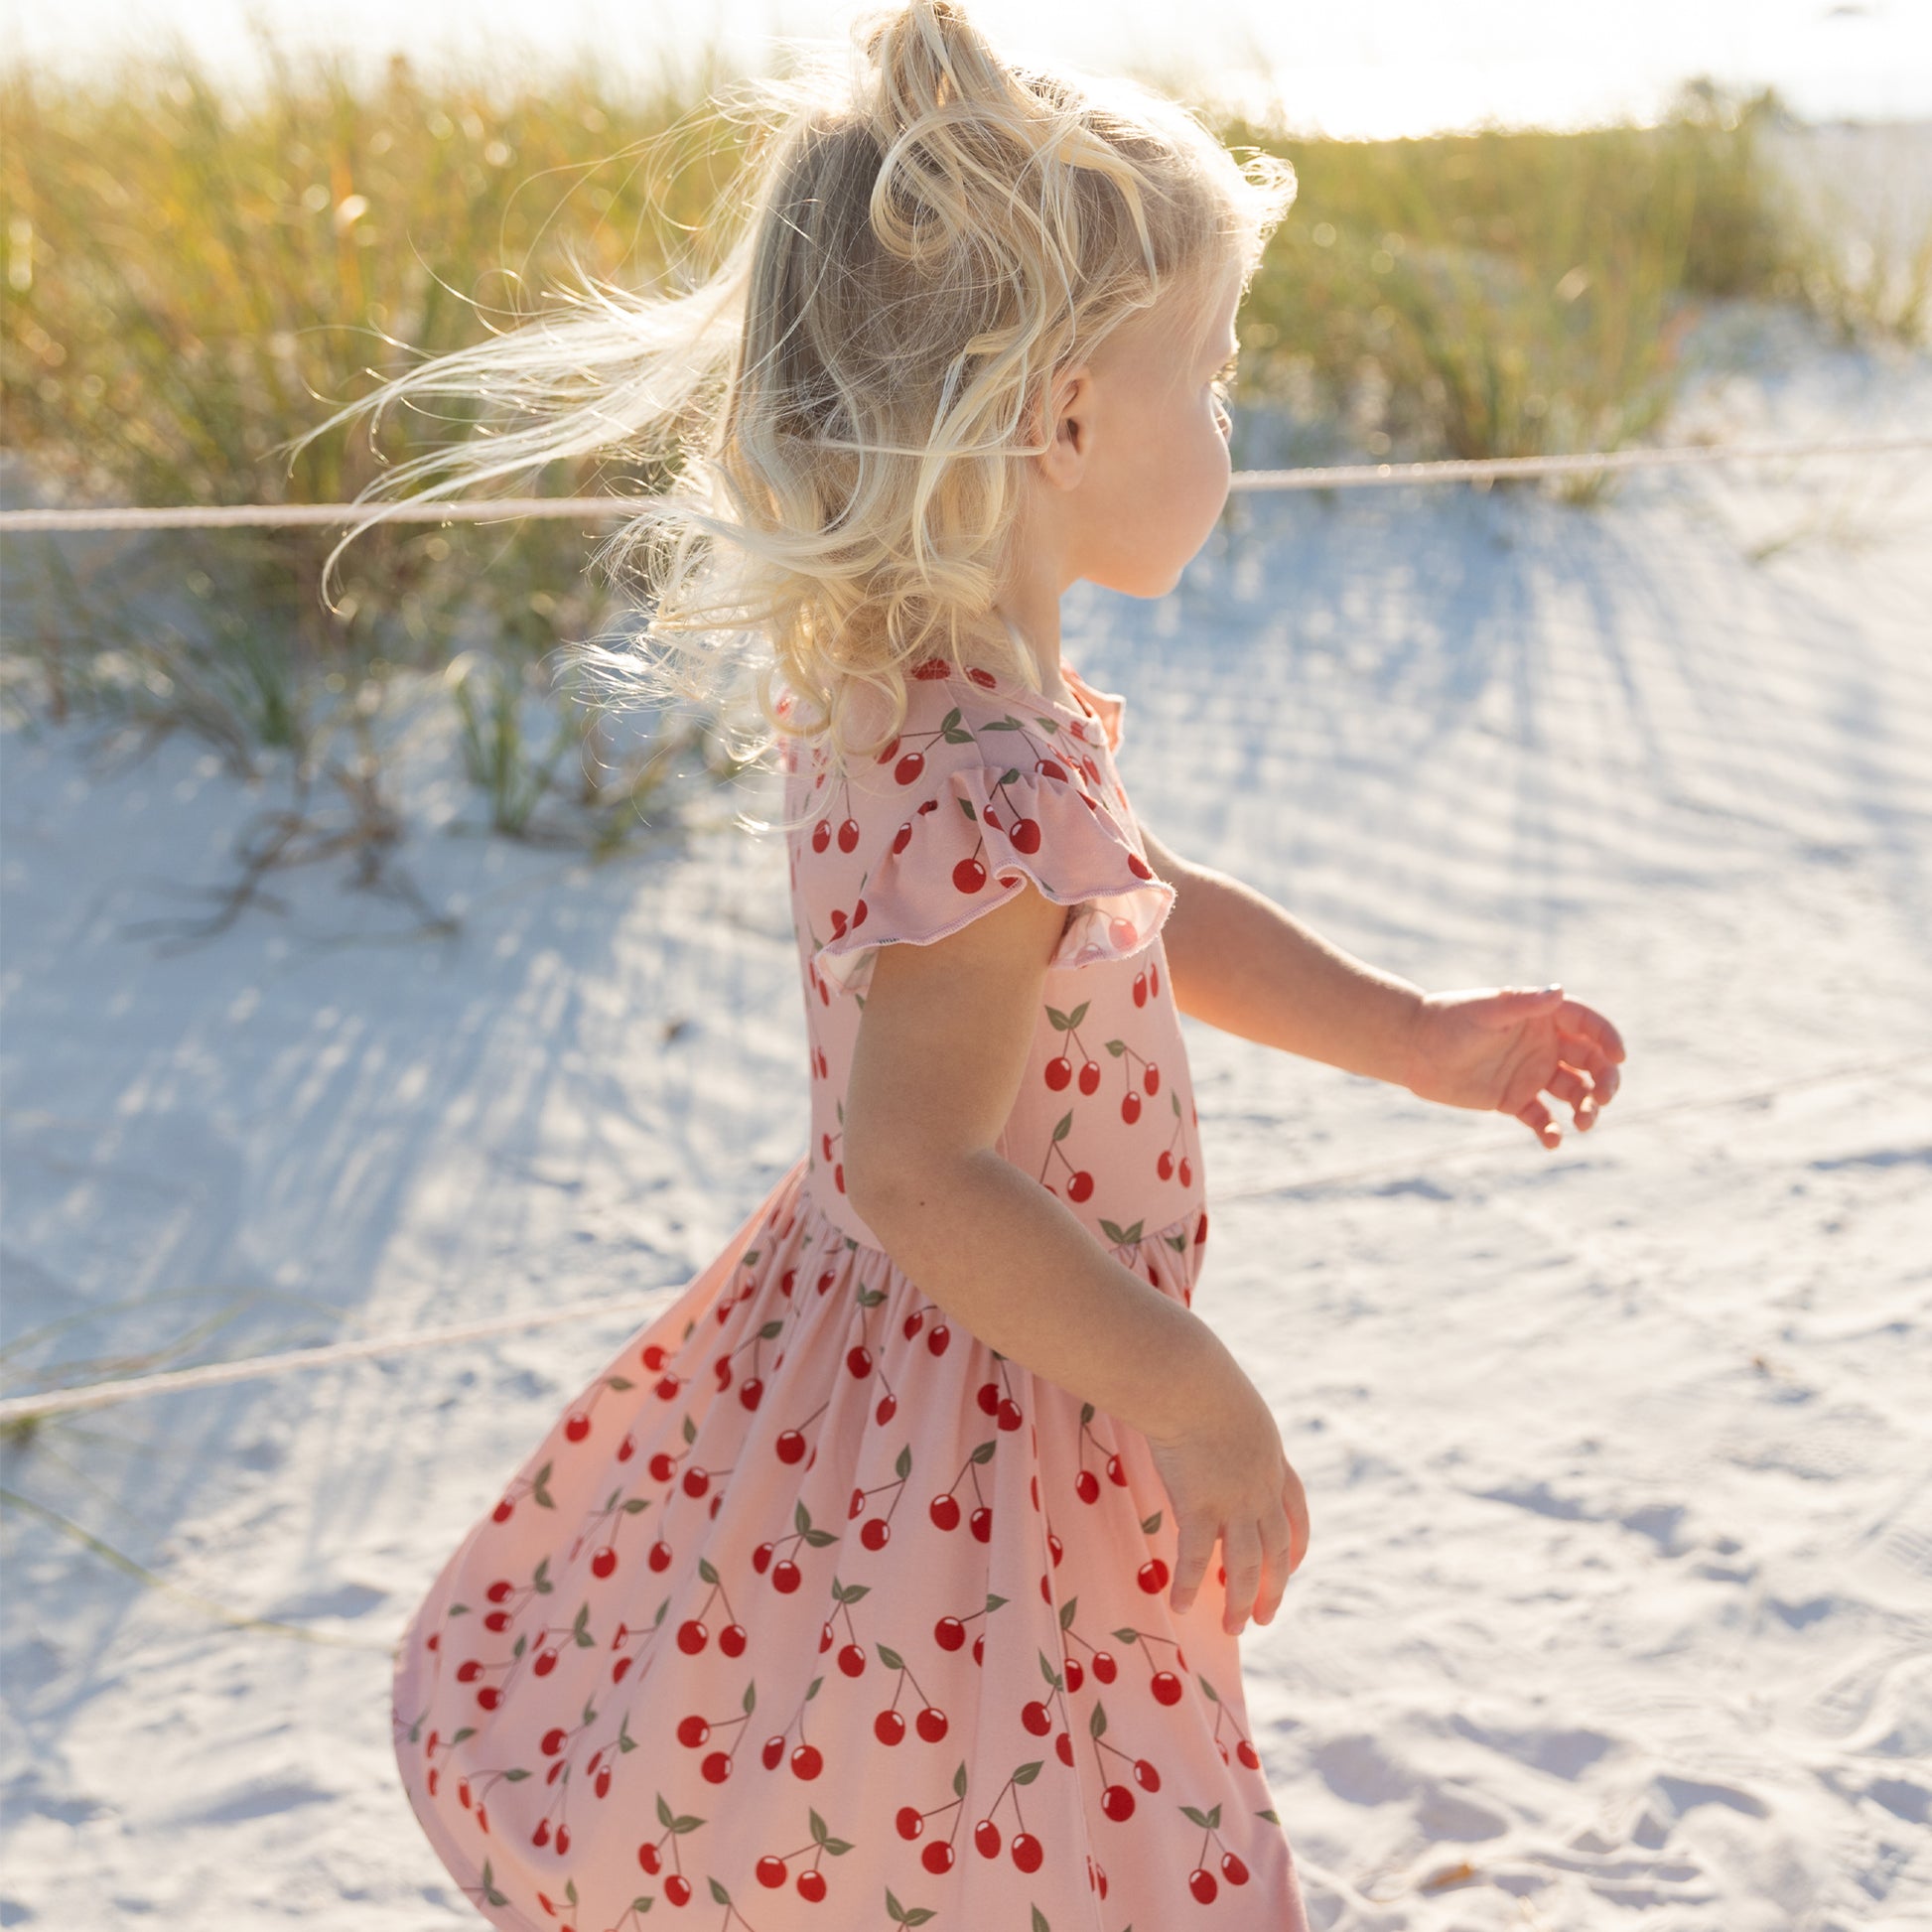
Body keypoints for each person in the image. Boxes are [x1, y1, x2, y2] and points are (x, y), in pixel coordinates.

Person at [306, 3, 1626, 1925]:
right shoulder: (991, 768)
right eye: (1215, 375)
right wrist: (1190, 1385)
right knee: (1033, 1798)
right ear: (1067, 420)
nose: (1230, 423)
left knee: (937, 1788)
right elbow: (917, 1164)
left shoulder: (924, 696)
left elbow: (1139, 896)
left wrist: (1415, 1034)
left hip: (937, 1369)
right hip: (999, 1403)